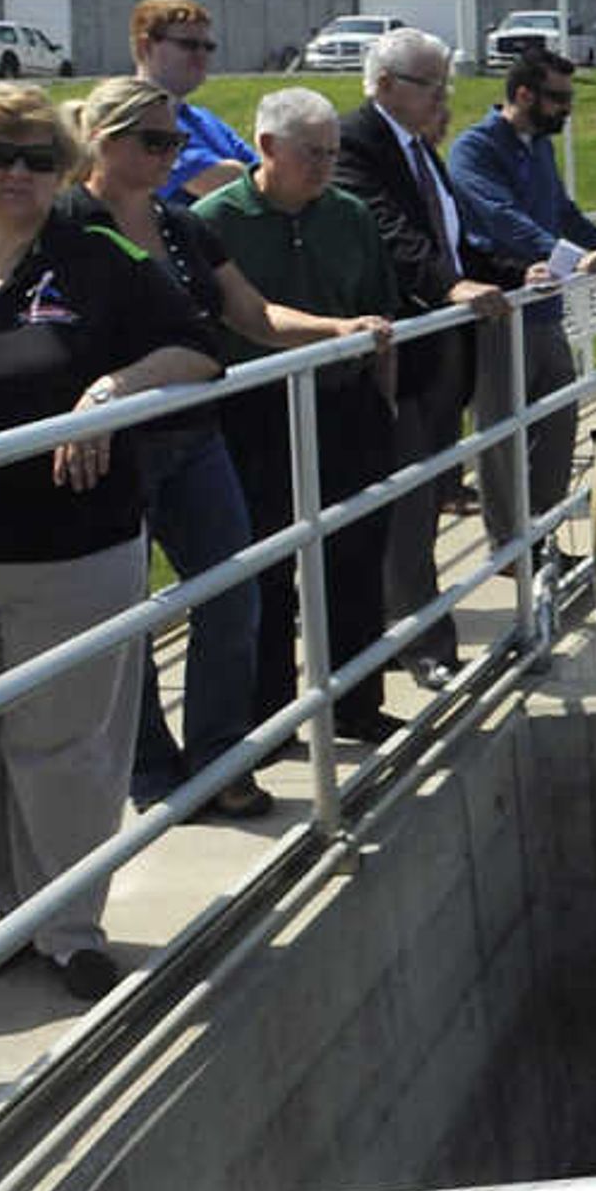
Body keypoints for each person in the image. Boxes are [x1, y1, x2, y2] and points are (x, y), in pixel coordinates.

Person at [0, 86, 219, 1000]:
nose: (16, 173)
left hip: (69, 546)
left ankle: (68, 925)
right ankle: (6, 917)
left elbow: (197, 349)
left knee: (64, 744)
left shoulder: (95, 259)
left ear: (63, 173)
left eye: (38, 158)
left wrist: (113, 387)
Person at [64, 79, 392, 818]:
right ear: (101, 140)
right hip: (111, 449)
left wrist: (335, 329)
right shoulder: (65, 227)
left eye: (174, 142)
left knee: (233, 594)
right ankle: (151, 772)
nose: (167, 156)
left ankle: (219, 758)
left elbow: (255, 314)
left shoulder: (181, 226)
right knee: (131, 615)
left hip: (194, 435)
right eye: (151, 142)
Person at [192, 91, 410, 754]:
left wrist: (385, 404)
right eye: (311, 153)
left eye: (332, 153)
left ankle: (357, 701)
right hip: (254, 413)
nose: (324, 166)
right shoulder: (213, 222)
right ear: (266, 148)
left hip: (343, 404)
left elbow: (381, 312)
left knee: (355, 554)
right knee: (264, 563)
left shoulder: (349, 216)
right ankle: (270, 713)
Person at [334, 29, 515, 686]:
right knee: (406, 510)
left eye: (445, 84)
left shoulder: (419, 151)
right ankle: (426, 648)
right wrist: (449, 287)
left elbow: (456, 240)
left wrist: (523, 273)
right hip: (396, 358)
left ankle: (408, 628)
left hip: (442, 355)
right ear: (385, 85)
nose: (443, 98)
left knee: (426, 500)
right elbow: (392, 232)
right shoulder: (357, 142)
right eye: (431, 85)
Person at [445, 45, 596, 551]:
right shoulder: (475, 149)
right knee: (502, 434)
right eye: (557, 98)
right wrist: (563, 253)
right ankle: (510, 549)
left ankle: (544, 539)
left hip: (547, 310)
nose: (566, 108)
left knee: (557, 419)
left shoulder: (540, 147)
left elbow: (562, 212)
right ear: (523, 94)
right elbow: (502, 218)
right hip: (503, 310)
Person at [130, 0, 254, 203]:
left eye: (208, 47)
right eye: (188, 45)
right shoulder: (132, 118)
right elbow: (222, 184)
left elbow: (265, 172)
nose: (201, 54)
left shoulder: (203, 119)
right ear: (146, 47)